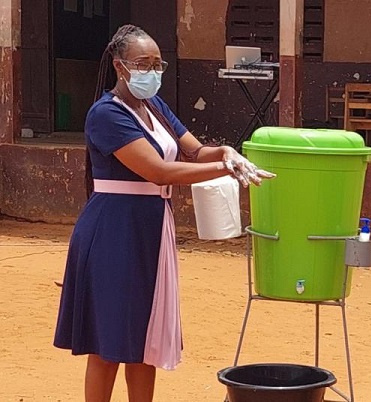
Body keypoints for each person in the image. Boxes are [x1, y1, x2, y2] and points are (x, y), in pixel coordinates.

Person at [53, 24, 274, 402]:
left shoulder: (154, 107)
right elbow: (159, 171)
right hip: (114, 232)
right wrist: (228, 169)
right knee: (108, 343)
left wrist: (225, 153)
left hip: (151, 229)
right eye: (143, 63)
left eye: (158, 64)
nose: (152, 71)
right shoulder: (106, 114)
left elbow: (192, 151)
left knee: (144, 337)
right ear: (120, 67)